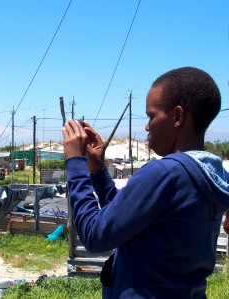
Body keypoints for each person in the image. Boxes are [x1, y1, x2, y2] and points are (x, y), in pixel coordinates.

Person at [62, 66, 229, 298]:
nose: (147, 126)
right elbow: (129, 215)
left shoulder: (165, 173)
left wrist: (75, 164)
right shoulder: (206, 175)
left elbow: (95, 234)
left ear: (178, 117)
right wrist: (98, 170)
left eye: (152, 116)